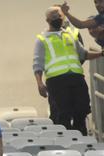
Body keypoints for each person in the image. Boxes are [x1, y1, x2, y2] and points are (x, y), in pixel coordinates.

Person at [33, 6, 103, 135]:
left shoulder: (71, 34)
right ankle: (65, 144)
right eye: (53, 16)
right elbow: (37, 64)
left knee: (81, 111)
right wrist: (39, 83)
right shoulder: (42, 39)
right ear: (47, 19)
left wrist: (100, 54)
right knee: (62, 115)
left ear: (63, 17)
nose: (56, 18)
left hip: (77, 79)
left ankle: (81, 139)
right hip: (56, 81)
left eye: (59, 15)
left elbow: (84, 54)